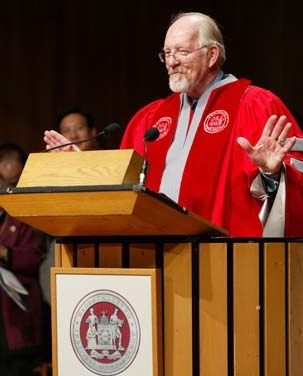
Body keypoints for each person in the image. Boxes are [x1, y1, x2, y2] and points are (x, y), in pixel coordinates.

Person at [44, 11, 303, 238]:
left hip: (231, 263)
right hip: (158, 259)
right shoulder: (151, 118)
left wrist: (272, 175)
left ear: (212, 54)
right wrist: (83, 167)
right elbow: (125, 190)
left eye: (181, 51)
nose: (171, 62)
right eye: (167, 53)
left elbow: (295, 185)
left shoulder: (256, 105)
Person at [0, 142, 46, 376]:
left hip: (17, 316)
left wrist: (5, 253)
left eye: (9, 162)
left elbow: (32, 258)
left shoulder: (27, 210)